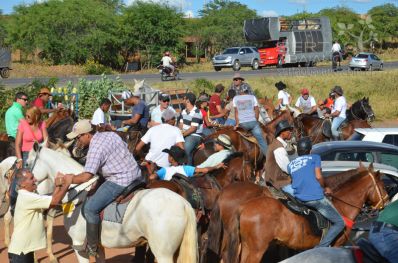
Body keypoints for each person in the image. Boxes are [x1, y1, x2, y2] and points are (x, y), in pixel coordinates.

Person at [65, 119, 144, 258]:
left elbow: (86, 176)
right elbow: (125, 148)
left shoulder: (95, 149)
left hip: (119, 180)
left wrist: (69, 179)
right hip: (136, 173)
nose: (78, 140)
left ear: (87, 135)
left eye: (78, 137)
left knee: (90, 208)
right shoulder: (110, 135)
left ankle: (92, 246)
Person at [287, 137, 345, 247]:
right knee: (340, 223)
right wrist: (325, 188)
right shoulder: (315, 157)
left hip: (299, 199)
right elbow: (318, 176)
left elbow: (300, 179)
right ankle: (322, 246)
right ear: (310, 150)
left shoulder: (290, 164)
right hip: (315, 199)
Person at [8, 169, 72, 263]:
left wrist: (58, 186)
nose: (36, 179)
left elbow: (50, 204)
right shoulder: (27, 197)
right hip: (20, 253)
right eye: (31, 178)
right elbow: (54, 201)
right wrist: (67, 184)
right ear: (22, 184)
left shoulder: (29, 195)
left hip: (24, 250)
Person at [149, 145, 225, 181]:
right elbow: (205, 170)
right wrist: (216, 166)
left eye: (169, 155)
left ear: (171, 158)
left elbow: (151, 177)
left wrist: (152, 171)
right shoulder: (186, 168)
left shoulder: (164, 170)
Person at [233, 88, 268, 156]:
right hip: (253, 123)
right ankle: (268, 158)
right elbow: (257, 110)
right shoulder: (253, 97)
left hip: (242, 124)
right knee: (261, 141)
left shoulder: (235, 98)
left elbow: (236, 112)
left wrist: (237, 124)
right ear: (247, 91)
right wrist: (256, 120)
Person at [265, 120, 294, 192]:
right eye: (288, 130)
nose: (291, 132)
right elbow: (286, 168)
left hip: (274, 177)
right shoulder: (279, 148)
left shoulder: (275, 142)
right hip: (278, 181)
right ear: (282, 133)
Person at [179, 93, 204, 165]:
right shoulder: (183, 111)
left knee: (186, 149)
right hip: (185, 133)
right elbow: (181, 125)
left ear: (187, 101)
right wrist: (179, 133)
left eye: (184, 99)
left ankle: (188, 169)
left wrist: (181, 135)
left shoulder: (197, 112)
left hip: (195, 135)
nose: (182, 100)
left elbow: (193, 129)